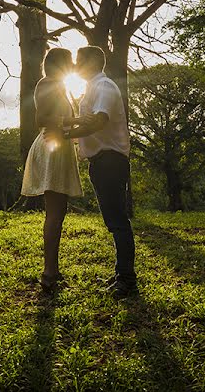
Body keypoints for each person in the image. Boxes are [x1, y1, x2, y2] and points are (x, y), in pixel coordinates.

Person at [64, 46, 138, 298]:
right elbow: (90, 119)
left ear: (94, 61)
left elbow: (99, 121)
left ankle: (127, 280)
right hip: (101, 161)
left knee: (117, 221)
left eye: (79, 60)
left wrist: (65, 134)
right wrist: (69, 124)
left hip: (110, 161)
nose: (74, 65)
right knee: (113, 220)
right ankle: (122, 272)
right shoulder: (93, 89)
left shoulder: (104, 86)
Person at [21, 48, 83, 292]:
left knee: (59, 213)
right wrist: (78, 122)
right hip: (52, 147)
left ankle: (53, 270)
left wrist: (76, 122)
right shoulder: (47, 84)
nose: (73, 65)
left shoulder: (57, 85)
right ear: (59, 64)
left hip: (58, 146)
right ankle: (49, 273)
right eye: (70, 62)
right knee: (55, 214)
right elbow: (41, 119)